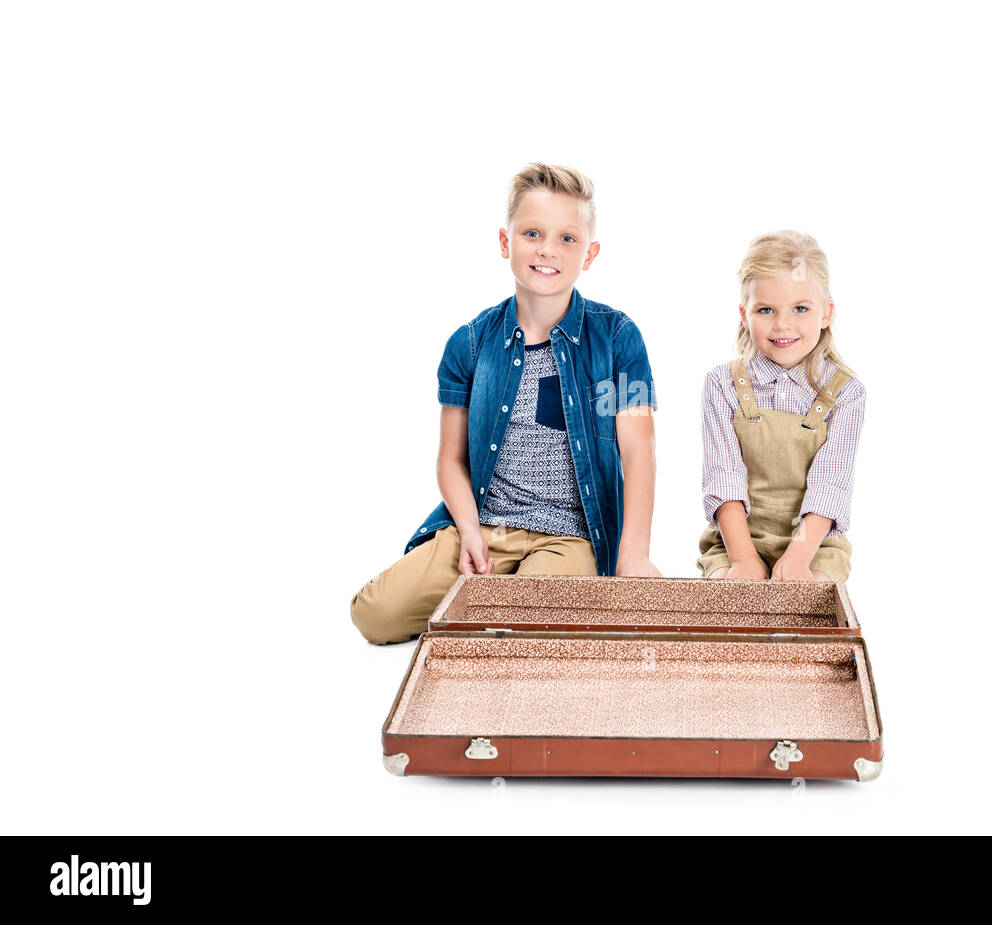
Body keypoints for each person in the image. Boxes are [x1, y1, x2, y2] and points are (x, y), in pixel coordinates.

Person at [351, 163, 660, 644]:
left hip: (568, 540)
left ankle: (500, 612)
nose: (547, 250)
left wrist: (632, 557)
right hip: (484, 526)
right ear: (505, 242)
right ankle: (489, 599)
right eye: (532, 233)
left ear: (590, 254)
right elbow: (450, 459)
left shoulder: (618, 339)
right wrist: (470, 534)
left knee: (520, 630)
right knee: (375, 616)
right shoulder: (469, 344)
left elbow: (640, 451)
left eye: (567, 239)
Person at [698, 230, 865, 582]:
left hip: (816, 543)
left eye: (800, 308)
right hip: (736, 539)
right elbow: (724, 475)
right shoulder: (722, 384)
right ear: (745, 315)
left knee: (810, 599)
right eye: (766, 310)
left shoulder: (846, 393)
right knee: (729, 594)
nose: (783, 324)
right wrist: (744, 561)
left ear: (825, 313)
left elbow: (830, 484)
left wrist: (798, 558)